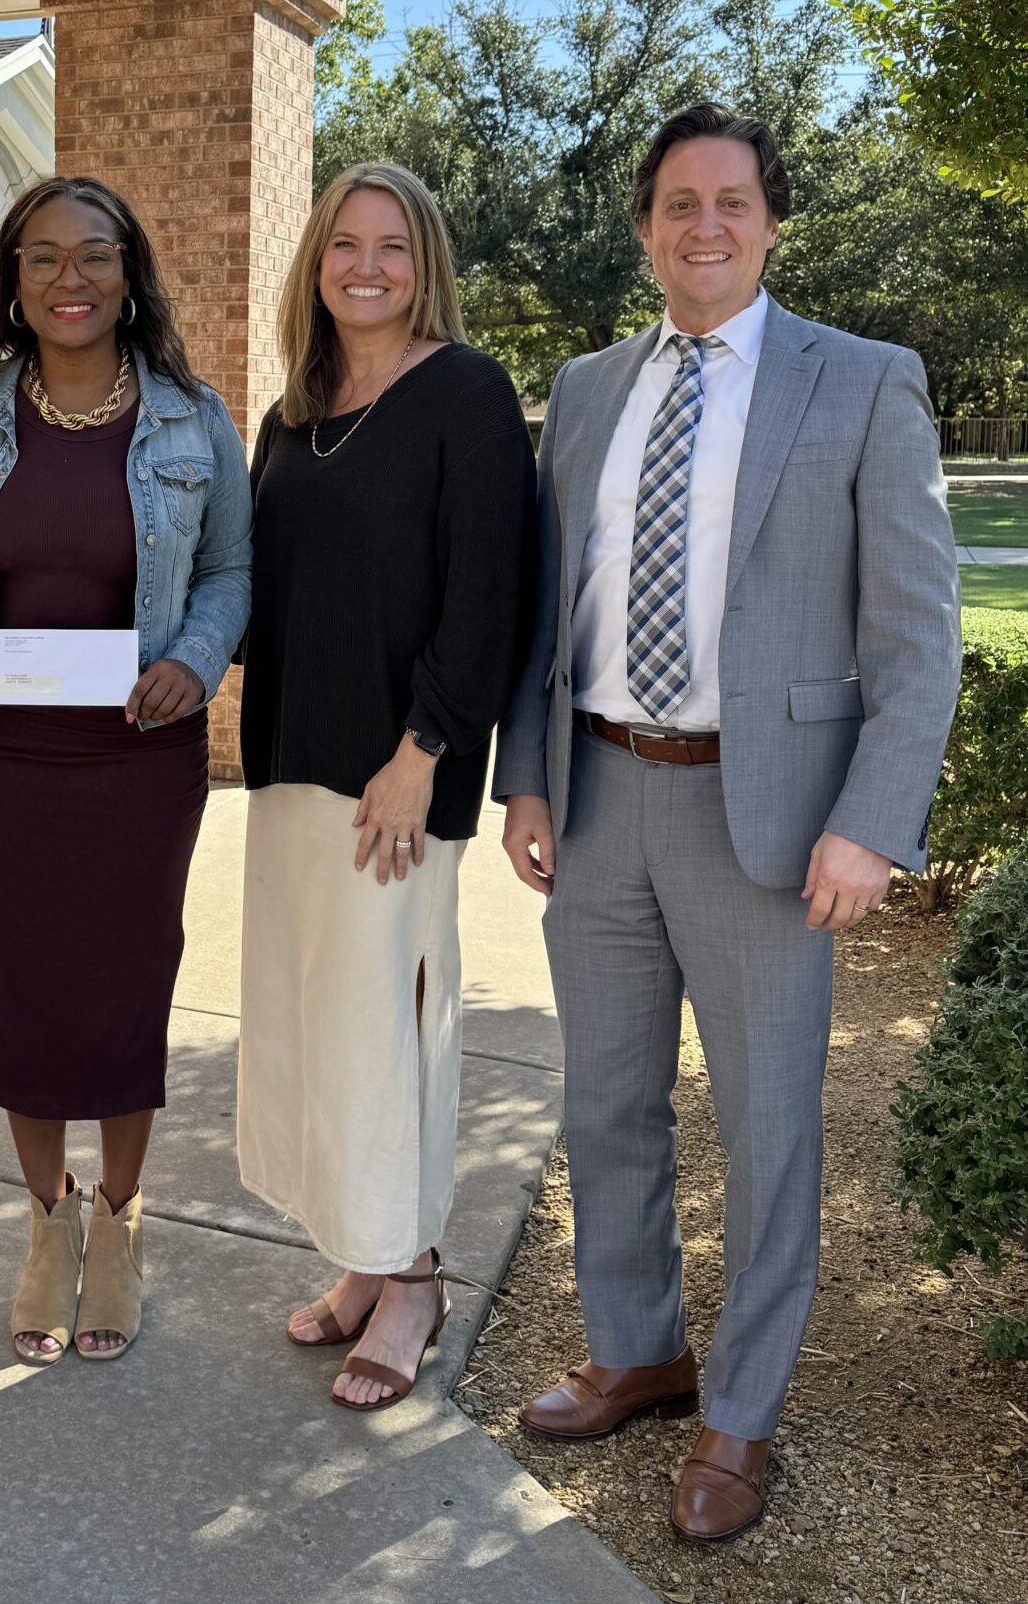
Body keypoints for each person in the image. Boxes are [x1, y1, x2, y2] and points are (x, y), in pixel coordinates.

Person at [495, 104, 960, 1540]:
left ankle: (740, 1412)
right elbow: (544, 604)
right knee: (603, 1102)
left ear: (768, 222)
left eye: (731, 203)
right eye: (677, 204)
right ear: (644, 228)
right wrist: (525, 774)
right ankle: (637, 1347)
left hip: (768, 816)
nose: (704, 227)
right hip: (596, 793)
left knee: (765, 1129)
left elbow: (917, 632)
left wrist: (870, 822)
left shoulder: (861, 381)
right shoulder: (583, 389)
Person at [0, 175, 251, 1365]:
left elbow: (230, 570)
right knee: (19, 979)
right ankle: (46, 1221)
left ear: (127, 273)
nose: (70, 278)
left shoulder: (192, 419)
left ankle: (120, 1218)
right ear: (12, 277)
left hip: (136, 752)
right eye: (43, 256)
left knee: (123, 980)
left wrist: (195, 661)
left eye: (94, 255)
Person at [235, 164, 537, 1412]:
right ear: (314, 262)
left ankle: (413, 1275)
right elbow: (255, 589)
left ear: (425, 267)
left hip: (394, 777)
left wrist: (424, 751)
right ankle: (361, 1255)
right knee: (314, 1023)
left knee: (387, 1026)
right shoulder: (290, 414)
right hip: (286, 764)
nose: (365, 266)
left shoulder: (467, 392)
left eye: (392, 246)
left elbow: (487, 592)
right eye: (344, 243)